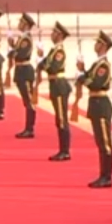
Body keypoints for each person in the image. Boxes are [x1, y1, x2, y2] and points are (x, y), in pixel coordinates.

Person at [77, 30, 112, 188]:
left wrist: (81, 76)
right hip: (95, 104)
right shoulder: (97, 63)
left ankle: (107, 176)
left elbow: (95, 83)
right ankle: (103, 174)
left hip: (101, 104)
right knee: (100, 143)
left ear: (103, 46)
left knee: (105, 143)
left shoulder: (103, 65)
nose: (95, 44)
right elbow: (90, 77)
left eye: (98, 42)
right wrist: (82, 69)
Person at [42, 22, 72, 161]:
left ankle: (65, 150)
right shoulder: (54, 50)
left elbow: (52, 67)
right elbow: (43, 65)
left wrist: (44, 63)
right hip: (54, 85)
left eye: (54, 32)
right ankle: (62, 149)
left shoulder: (59, 51)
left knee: (61, 119)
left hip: (60, 86)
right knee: (58, 119)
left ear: (60, 35)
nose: (51, 34)